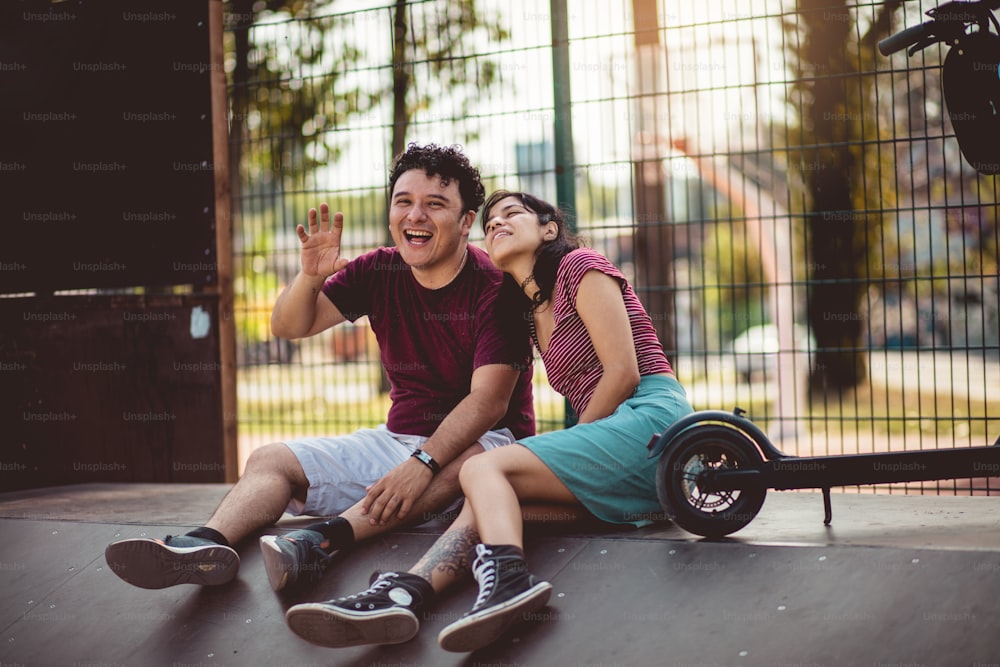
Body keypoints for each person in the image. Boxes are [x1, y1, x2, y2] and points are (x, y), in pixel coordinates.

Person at [104, 145, 535, 593]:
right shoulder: (379, 269)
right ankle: (206, 545)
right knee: (269, 459)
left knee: (473, 459)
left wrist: (423, 463)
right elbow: (290, 325)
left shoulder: (496, 288)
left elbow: (488, 402)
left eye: (435, 204)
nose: (415, 216)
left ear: (467, 221)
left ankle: (323, 541)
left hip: (487, 445)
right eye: (404, 201)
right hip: (401, 440)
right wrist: (310, 276)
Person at [283, 190, 694, 652]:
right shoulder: (528, 308)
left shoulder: (580, 267)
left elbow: (622, 373)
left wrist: (573, 442)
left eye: (512, 214)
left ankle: (510, 582)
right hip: (630, 466)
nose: (497, 223)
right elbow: (290, 324)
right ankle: (407, 594)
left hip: (652, 423)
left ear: (549, 228)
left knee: (482, 467)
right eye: (491, 221)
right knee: (487, 502)